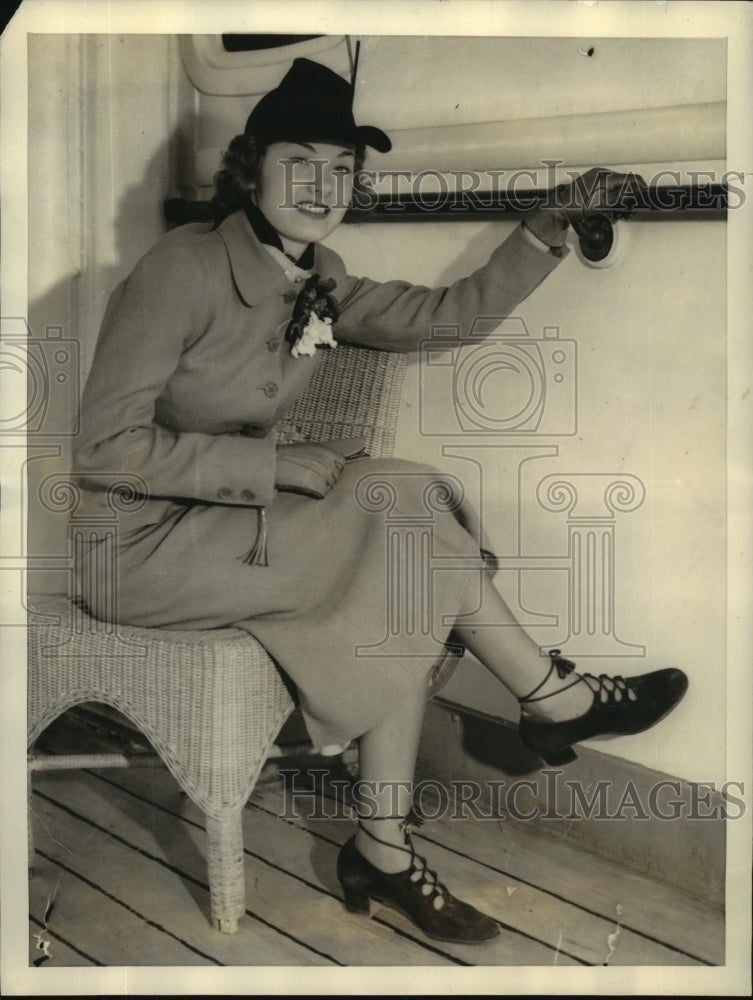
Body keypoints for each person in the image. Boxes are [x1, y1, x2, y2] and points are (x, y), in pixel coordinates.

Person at [73, 58, 688, 945]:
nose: (321, 186)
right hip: (136, 548)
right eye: (299, 163)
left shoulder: (318, 274)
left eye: (341, 168)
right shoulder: (182, 268)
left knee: (402, 541)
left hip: (220, 531)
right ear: (250, 169)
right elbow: (103, 450)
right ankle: (547, 701)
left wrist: (543, 227)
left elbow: (445, 318)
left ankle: (387, 844)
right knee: (398, 522)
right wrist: (271, 467)